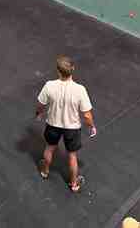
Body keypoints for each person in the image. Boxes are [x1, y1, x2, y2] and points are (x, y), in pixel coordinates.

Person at [35, 55, 97, 193]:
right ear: (72, 69)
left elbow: (40, 104)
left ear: (58, 71)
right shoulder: (80, 90)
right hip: (72, 129)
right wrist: (91, 126)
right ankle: (74, 184)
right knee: (72, 155)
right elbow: (87, 115)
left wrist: (38, 114)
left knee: (49, 148)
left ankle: (45, 171)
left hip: (53, 125)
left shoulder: (49, 86)